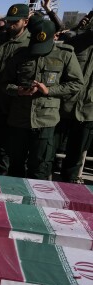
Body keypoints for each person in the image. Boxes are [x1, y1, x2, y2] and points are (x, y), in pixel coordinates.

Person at [2, 19, 83, 179]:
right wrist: (18, 90)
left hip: (45, 121)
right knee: (15, 166)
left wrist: (49, 91)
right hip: (19, 120)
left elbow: (76, 83)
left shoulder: (65, 54)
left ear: (54, 37)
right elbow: (4, 84)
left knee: (40, 167)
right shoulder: (20, 55)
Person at [0, 4, 30, 175]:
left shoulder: (30, 44)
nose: (11, 24)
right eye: (9, 21)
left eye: (16, 21)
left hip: (13, 108)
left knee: (6, 154)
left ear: (26, 21)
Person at [60, 26, 93, 184]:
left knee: (75, 159)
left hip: (89, 111)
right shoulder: (76, 42)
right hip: (64, 105)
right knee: (47, 155)